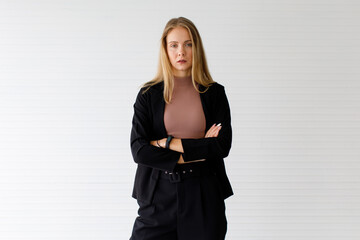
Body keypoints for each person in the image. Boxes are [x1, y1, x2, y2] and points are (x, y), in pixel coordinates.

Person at [129, 16, 233, 240]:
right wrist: (197, 150)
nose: (181, 52)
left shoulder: (214, 94)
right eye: (174, 45)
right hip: (158, 195)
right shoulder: (148, 95)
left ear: (197, 47)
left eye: (188, 44)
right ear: (165, 50)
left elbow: (221, 146)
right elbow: (139, 150)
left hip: (204, 194)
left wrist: (165, 143)